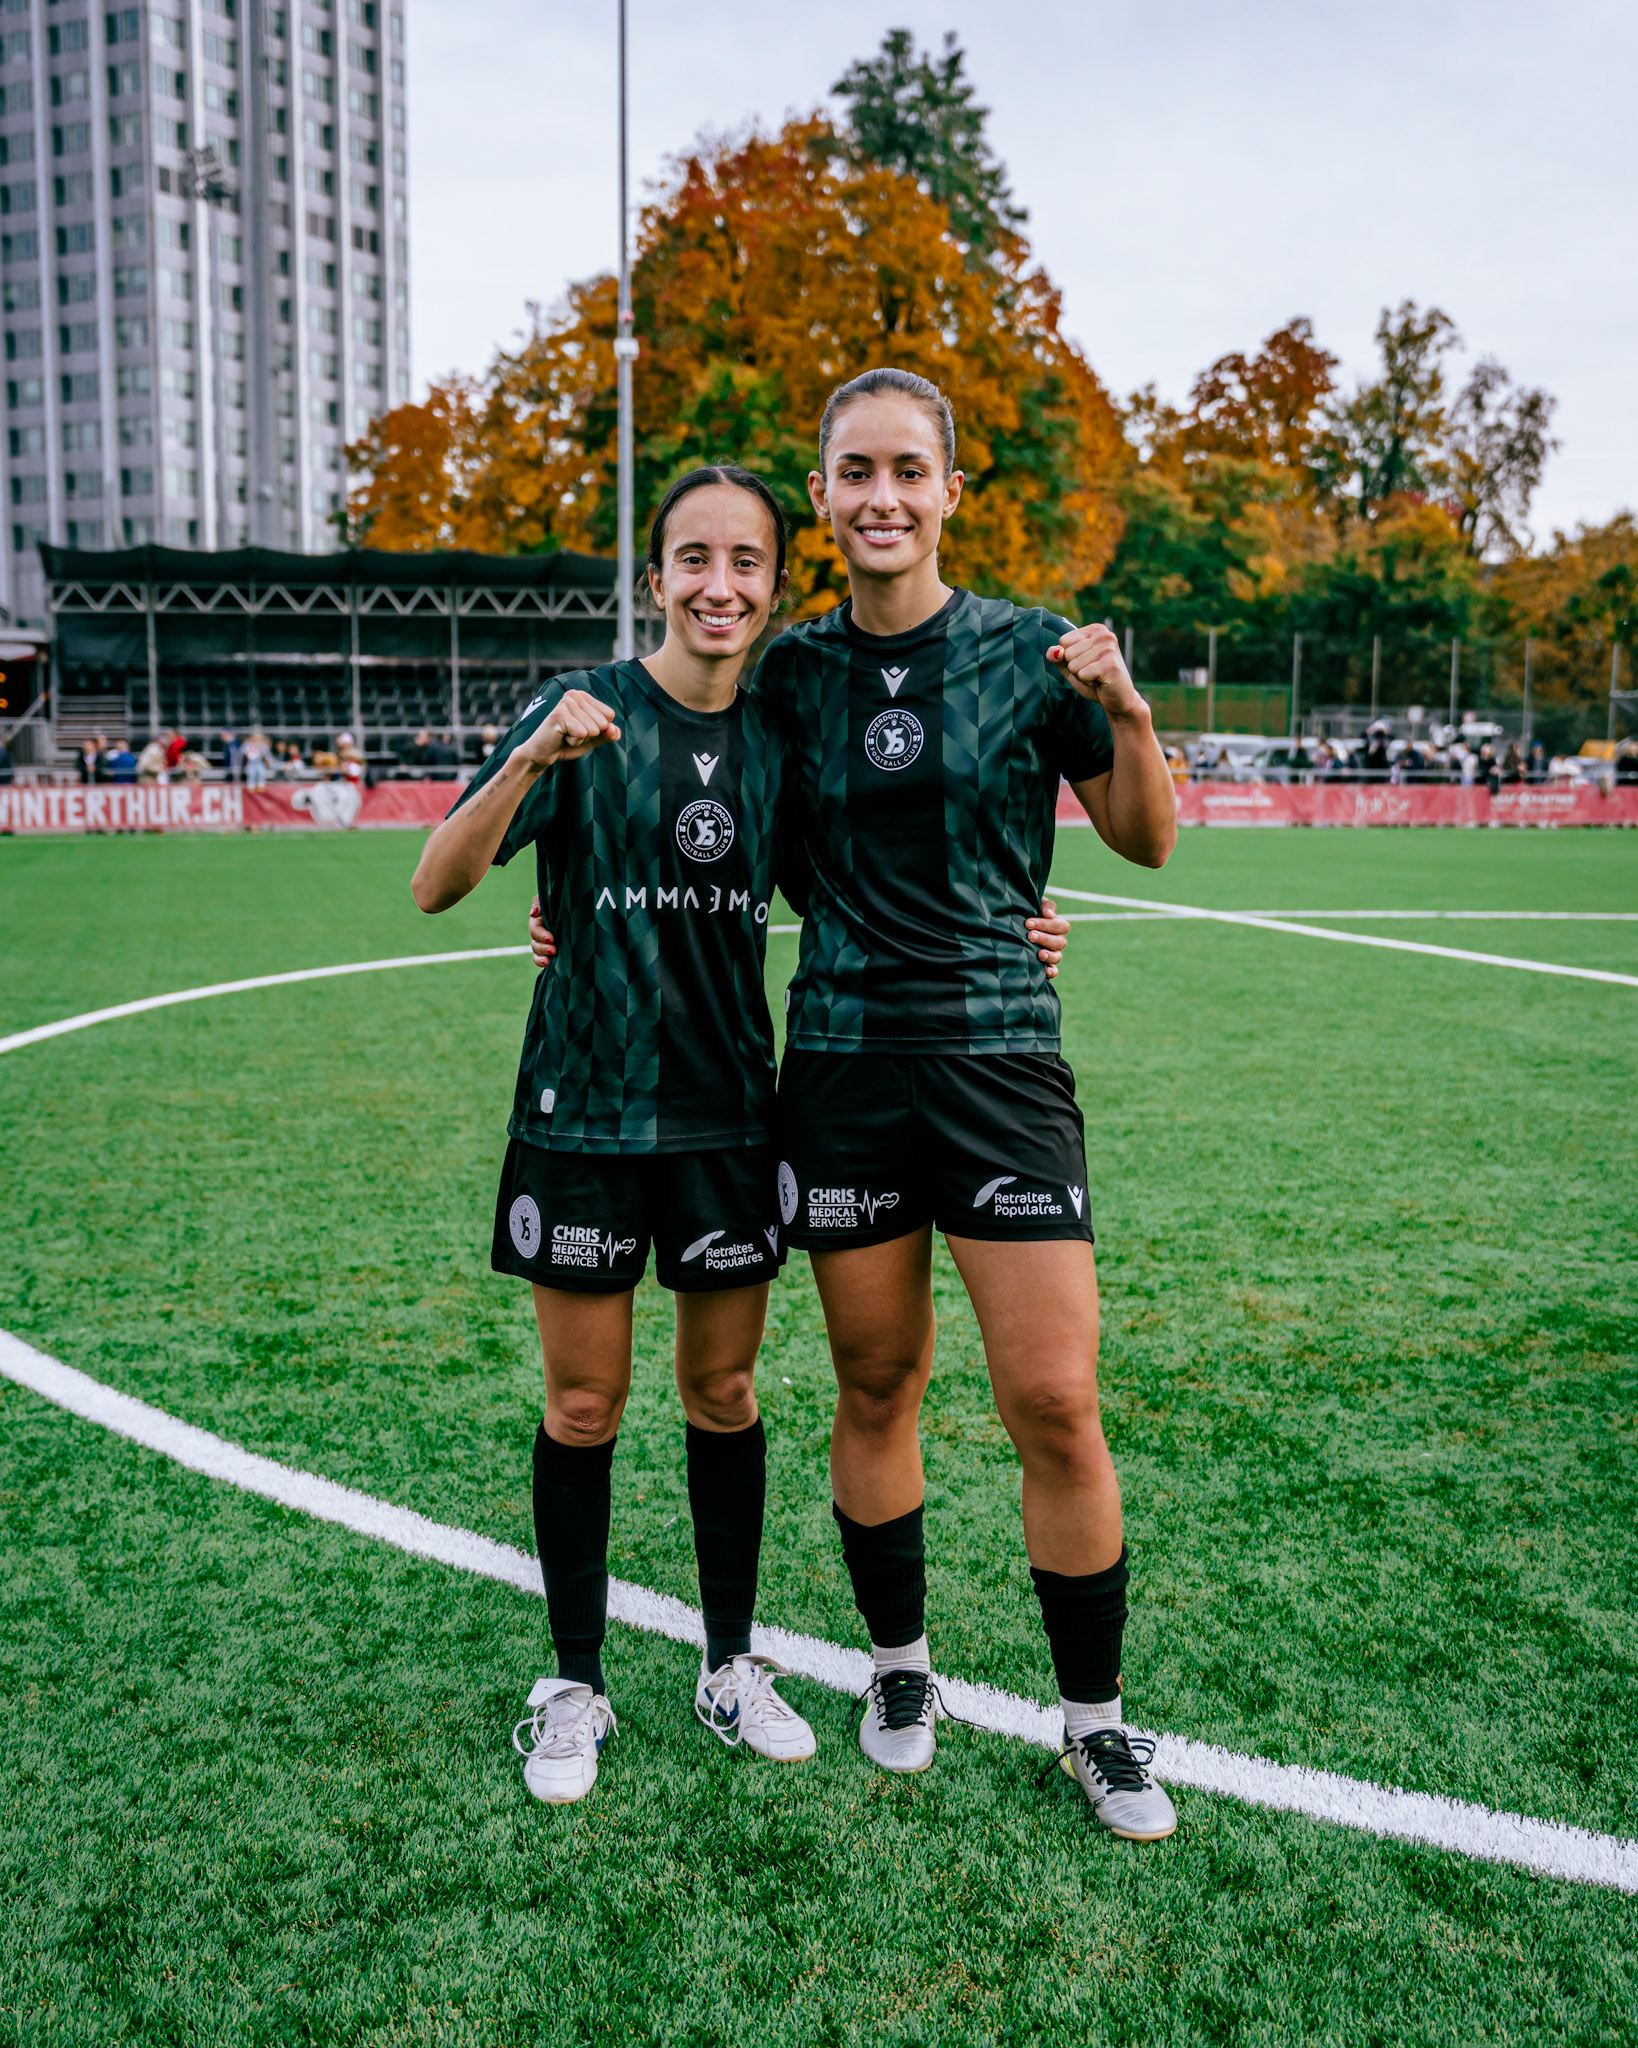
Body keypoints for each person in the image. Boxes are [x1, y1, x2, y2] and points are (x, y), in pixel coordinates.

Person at [754, 367, 1179, 1841]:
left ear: (949, 492)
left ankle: (1098, 1728)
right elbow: (721, 840)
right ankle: (897, 1671)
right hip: (846, 1068)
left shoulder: (1026, 654)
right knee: (877, 1387)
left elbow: (1143, 841)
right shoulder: (788, 676)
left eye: (906, 472)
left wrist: (1126, 712)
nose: (881, 498)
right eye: (853, 472)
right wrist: (579, 916)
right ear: (823, 496)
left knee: (1054, 1400)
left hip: (1000, 1063)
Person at [410, 467, 822, 1807]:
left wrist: (1021, 928)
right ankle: (574, 1682)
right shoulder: (580, 713)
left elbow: (863, 894)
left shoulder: (777, 736)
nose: (719, 586)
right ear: (656, 577)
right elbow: (436, 882)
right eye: (693, 559)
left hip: (723, 1118)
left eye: (746, 562)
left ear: (772, 584)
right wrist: (536, 759)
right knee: (583, 1402)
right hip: (583, 1113)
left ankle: (727, 1664)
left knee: (724, 1395)